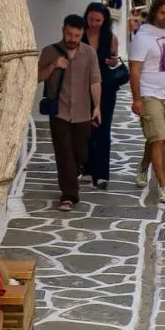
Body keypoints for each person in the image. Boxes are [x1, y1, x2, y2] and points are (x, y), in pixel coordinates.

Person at [37, 14, 101, 212]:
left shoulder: (89, 53)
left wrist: (97, 106)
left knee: (81, 152)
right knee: (64, 153)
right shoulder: (50, 51)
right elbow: (36, 77)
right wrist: (54, 65)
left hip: (83, 112)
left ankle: (77, 169)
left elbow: (95, 81)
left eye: (76, 35)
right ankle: (69, 195)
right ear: (63, 30)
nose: (72, 39)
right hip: (60, 112)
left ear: (82, 34)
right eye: (69, 34)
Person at [129, 0, 165, 204]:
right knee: (159, 139)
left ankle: (143, 166)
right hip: (150, 94)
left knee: (155, 139)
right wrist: (136, 99)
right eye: (162, 13)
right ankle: (163, 186)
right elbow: (134, 70)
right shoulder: (142, 38)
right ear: (154, 13)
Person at [81, 1, 124, 190]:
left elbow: (114, 61)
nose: (94, 23)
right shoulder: (80, 35)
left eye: (98, 20)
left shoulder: (110, 37)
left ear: (104, 20)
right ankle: (87, 168)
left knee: (103, 129)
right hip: (82, 86)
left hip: (106, 87)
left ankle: (102, 174)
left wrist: (113, 61)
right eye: (91, 19)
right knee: (85, 129)